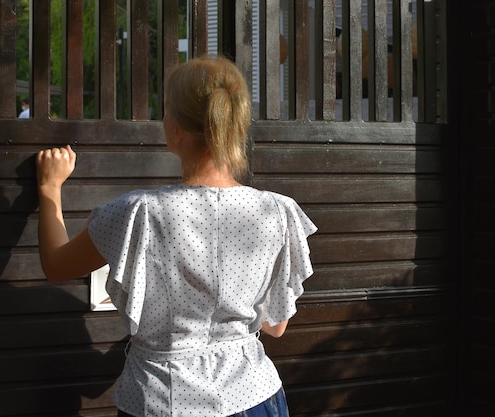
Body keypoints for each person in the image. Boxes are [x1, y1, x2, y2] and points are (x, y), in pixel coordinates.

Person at [36, 55, 317, 417]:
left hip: (164, 400)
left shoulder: (139, 212)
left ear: (177, 131)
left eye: (166, 110)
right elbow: (276, 326)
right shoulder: (278, 212)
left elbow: (56, 265)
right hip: (257, 396)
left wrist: (49, 187)